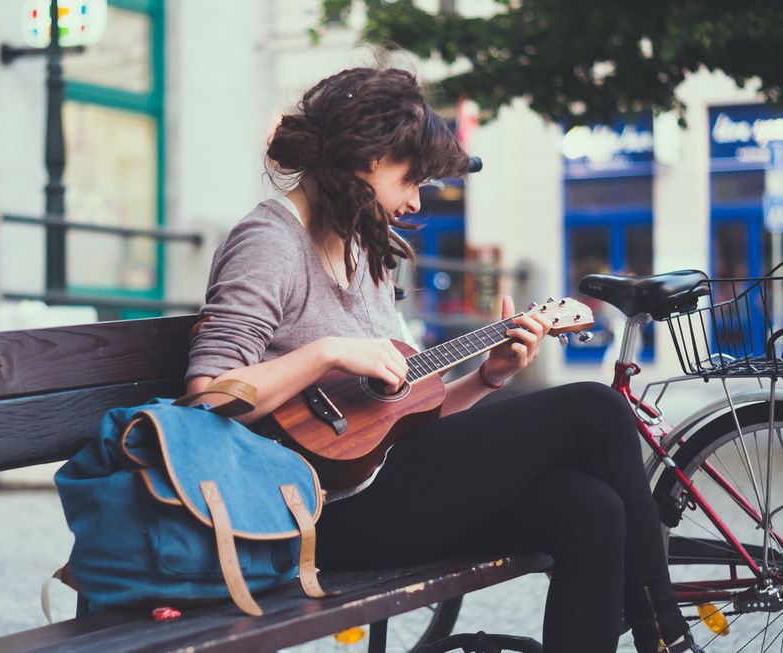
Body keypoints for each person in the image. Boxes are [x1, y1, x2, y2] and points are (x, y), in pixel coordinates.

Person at [185, 67, 702, 653]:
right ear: (366, 159)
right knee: (595, 407)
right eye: (411, 179)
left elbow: (404, 414)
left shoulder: (366, 249)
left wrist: (487, 378)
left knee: (589, 509)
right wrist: (324, 352)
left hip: (386, 490)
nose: (415, 200)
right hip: (313, 516)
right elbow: (207, 396)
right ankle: (668, 638)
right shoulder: (270, 243)